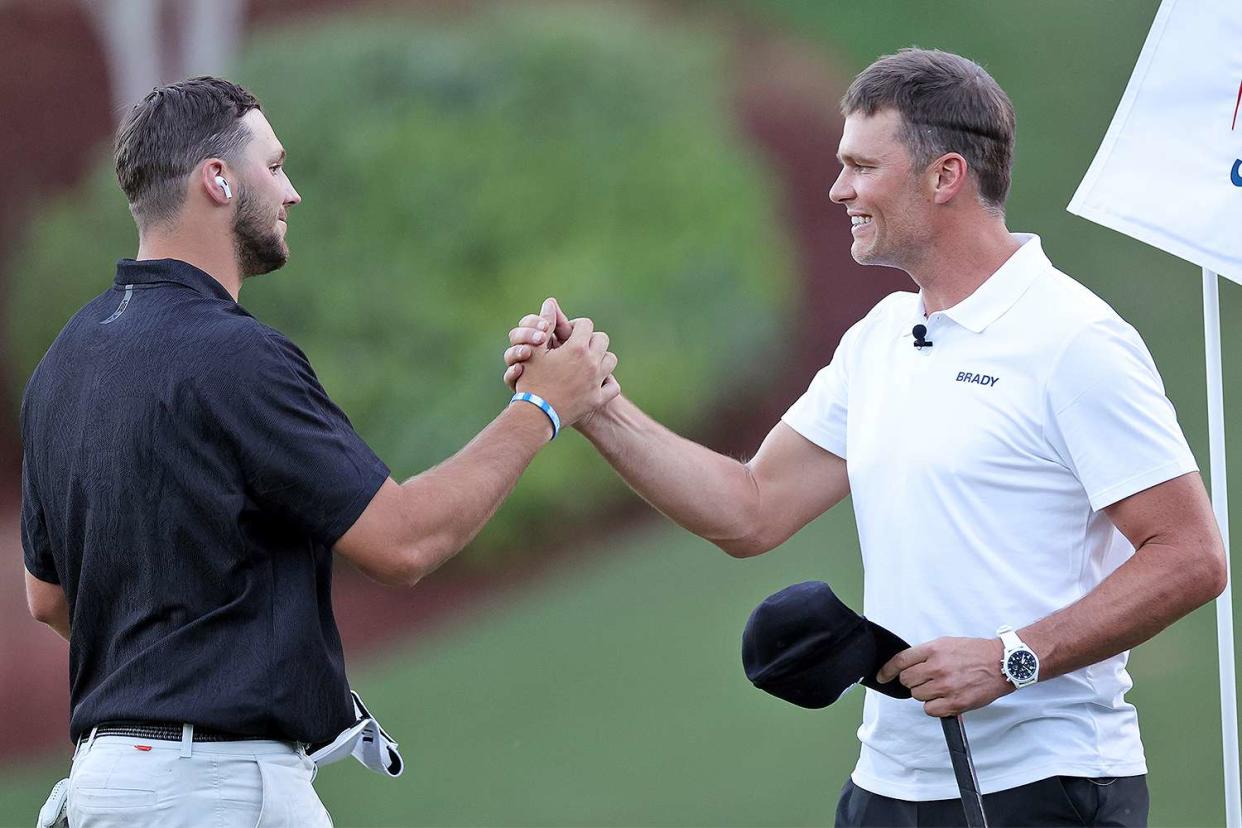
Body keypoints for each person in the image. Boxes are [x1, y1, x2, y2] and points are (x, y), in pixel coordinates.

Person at [503, 49, 1226, 826]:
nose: (837, 189)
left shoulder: (1074, 341)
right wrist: (593, 404)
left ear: (944, 176)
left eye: (860, 166)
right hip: (890, 787)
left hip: (1047, 789)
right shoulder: (882, 335)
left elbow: (1191, 556)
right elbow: (751, 509)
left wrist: (1014, 657)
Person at [21, 76, 617, 827]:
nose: (292, 191)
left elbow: (47, 598)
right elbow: (405, 542)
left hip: (109, 785)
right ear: (217, 179)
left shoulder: (61, 364)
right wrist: (542, 406)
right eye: (274, 166)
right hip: (212, 791)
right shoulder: (235, 357)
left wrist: (181, 657)